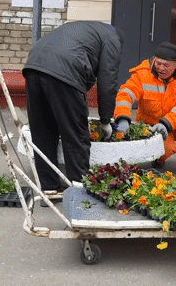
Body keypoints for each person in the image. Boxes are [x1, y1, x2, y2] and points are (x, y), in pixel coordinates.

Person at [23, 21, 124, 198]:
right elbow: (108, 82)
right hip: (64, 69)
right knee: (75, 133)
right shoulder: (113, 39)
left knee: (43, 132)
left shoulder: (85, 29)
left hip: (33, 65)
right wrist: (106, 120)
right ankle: (79, 191)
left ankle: (49, 189)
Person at [114, 42, 176, 175]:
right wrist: (122, 118)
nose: (161, 68)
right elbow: (126, 94)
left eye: (166, 65)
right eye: (158, 63)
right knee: (166, 150)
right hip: (152, 126)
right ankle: (158, 158)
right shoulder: (143, 73)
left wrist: (166, 123)